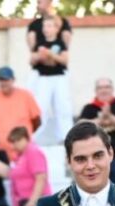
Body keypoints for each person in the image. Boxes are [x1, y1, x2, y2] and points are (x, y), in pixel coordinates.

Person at [0, 67, 43, 162]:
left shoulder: (25, 96)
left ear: (13, 80)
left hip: (23, 154)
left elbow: (37, 120)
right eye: (1, 79)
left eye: (6, 79)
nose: (3, 82)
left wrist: (25, 135)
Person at [28, 10, 73, 148]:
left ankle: (67, 137)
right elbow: (32, 60)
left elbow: (64, 60)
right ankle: (33, 137)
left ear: (56, 28)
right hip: (43, 78)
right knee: (40, 107)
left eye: (49, 26)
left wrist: (50, 56)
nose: (46, 29)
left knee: (63, 107)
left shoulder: (60, 43)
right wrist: (41, 57)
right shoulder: (39, 43)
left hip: (59, 78)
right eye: (44, 26)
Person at [78, 79, 115, 188]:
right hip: (93, 159)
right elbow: (81, 126)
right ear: (96, 91)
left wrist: (110, 117)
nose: (104, 90)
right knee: (96, 188)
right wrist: (101, 119)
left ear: (112, 89)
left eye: (107, 87)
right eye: (100, 87)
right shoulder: (89, 108)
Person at [8, 125, 51, 206]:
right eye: (12, 142)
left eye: (16, 141)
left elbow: (41, 178)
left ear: (24, 139)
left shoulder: (33, 152)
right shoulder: (20, 156)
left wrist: (33, 201)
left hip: (34, 204)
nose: (13, 145)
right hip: (24, 204)